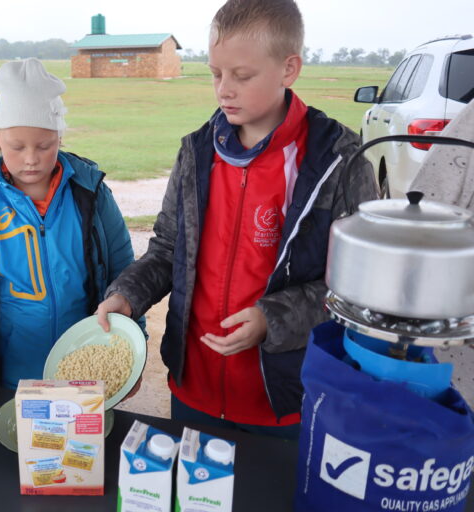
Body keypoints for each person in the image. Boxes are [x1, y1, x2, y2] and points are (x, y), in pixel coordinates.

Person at [96, 0, 378, 439]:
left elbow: (360, 290)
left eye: (242, 76)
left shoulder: (340, 162)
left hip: (286, 404)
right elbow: (169, 250)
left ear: (289, 69)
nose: (224, 89)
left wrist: (272, 317)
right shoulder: (195, 152)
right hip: (194, 391)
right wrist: (127, 295)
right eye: (215, 73)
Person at [0, 58, 138, 408]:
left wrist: (131, 350)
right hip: (12, 381)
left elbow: (125, 274)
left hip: (86, 374)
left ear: (59, 137)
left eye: (44, 146)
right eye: (17, 146)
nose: (31, 159)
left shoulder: (90, 195)